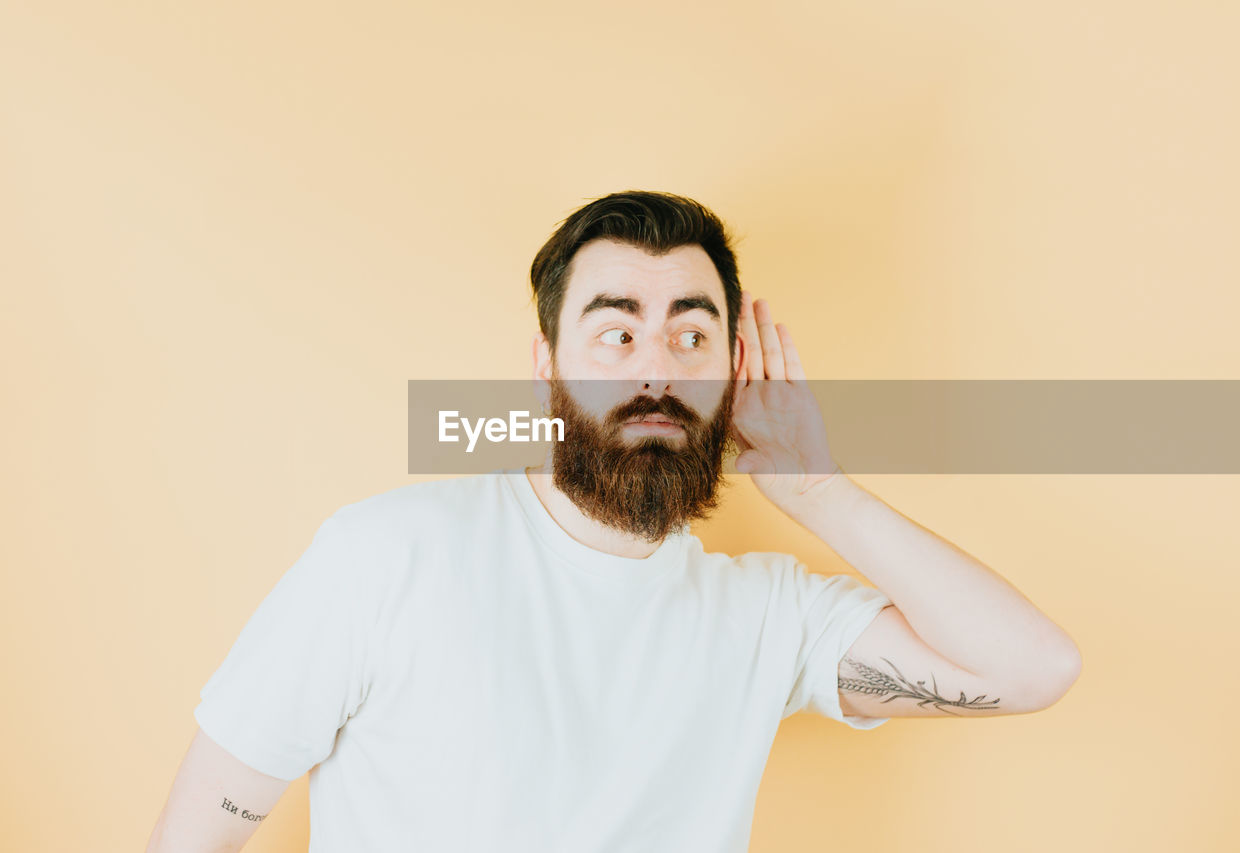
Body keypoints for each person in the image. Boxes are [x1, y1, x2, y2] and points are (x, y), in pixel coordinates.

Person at [146, 190, 1082, 853]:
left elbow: (1033, 667)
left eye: (690, 333)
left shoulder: (767, 619)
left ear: (732, 372)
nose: (655, 368)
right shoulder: (387, 554)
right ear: (546, 363)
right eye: (616, 330)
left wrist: (820, 489)